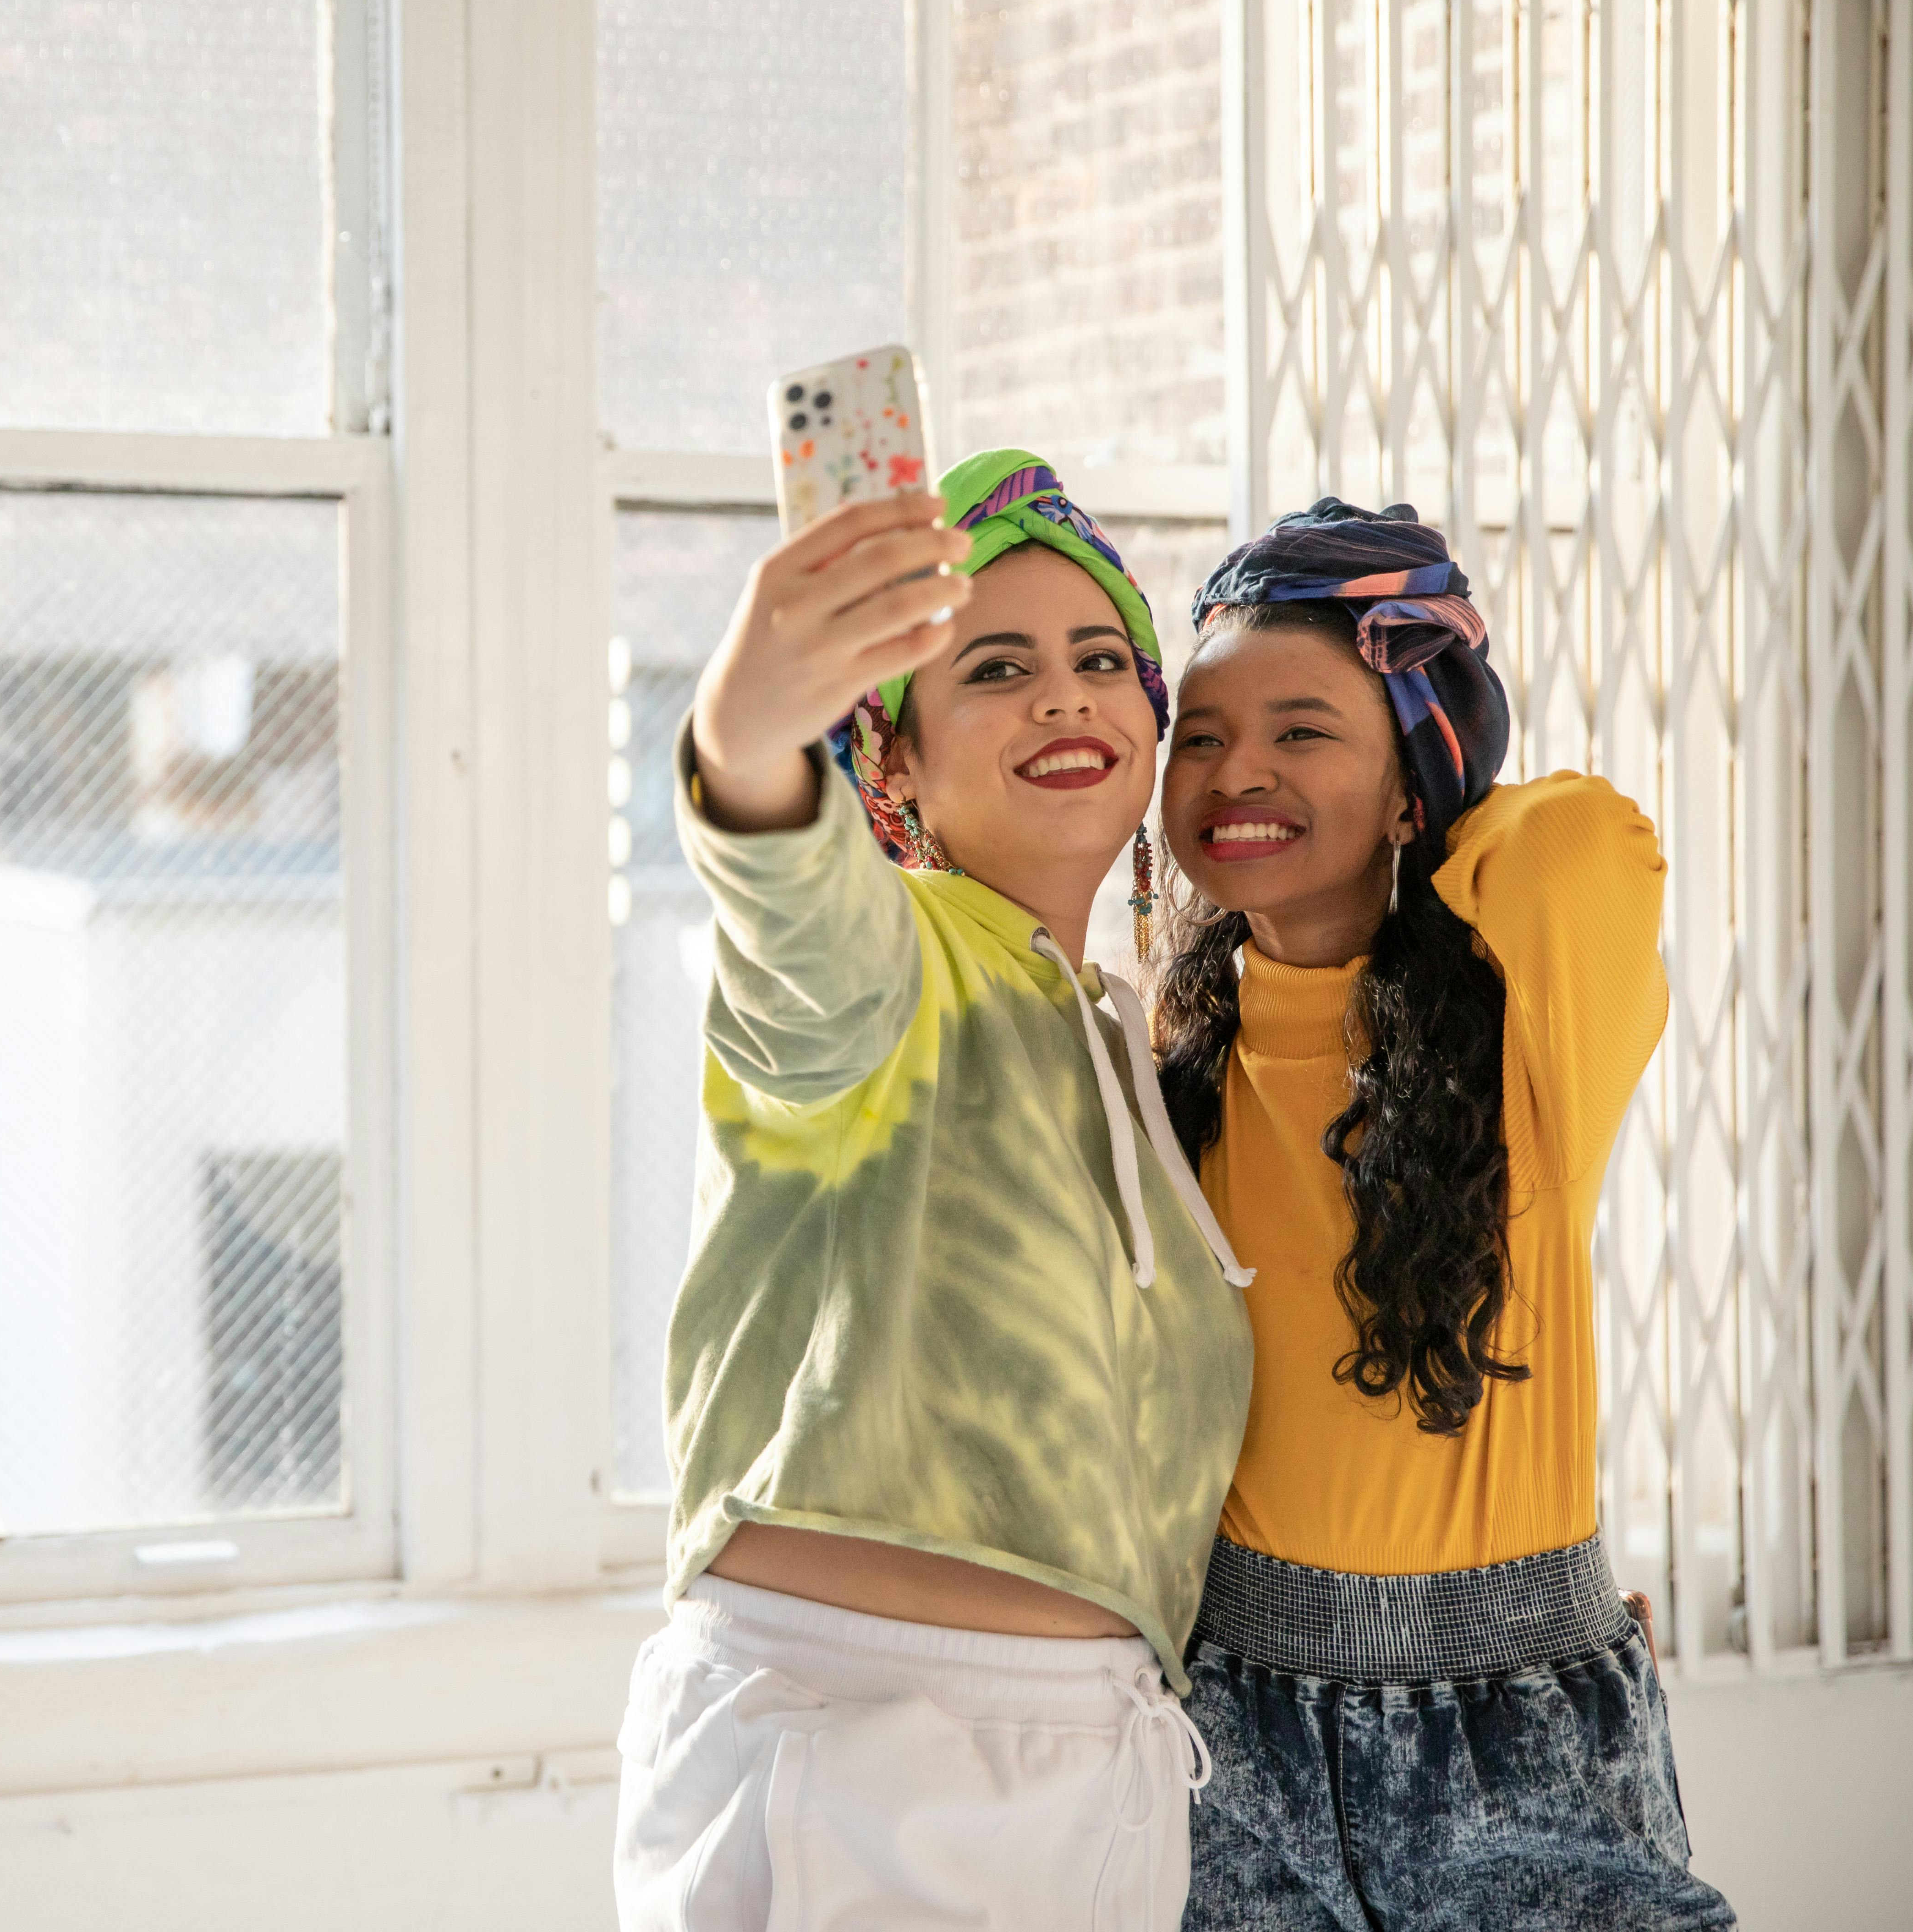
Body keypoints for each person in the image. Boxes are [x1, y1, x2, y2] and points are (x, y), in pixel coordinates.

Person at [613, 450, 1259, 1932]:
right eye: (997, 667)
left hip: (1101, 1779)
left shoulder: (1129, 1048)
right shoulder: (891, 972)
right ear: (888, 761)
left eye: (1105, 659)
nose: (1065, 694)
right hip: (850, 1752)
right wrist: (746, 730)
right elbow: (789, 909)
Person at [1151, 499, 1732, 1931]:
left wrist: (1437, 756)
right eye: (1205, 737)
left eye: (1305, 730)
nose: (1243, 772)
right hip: (1233, 1730)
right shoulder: (1162, 1064)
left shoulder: (1524, 1038)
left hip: (1513, 1728)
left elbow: (1580, 839)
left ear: (1415, 783)